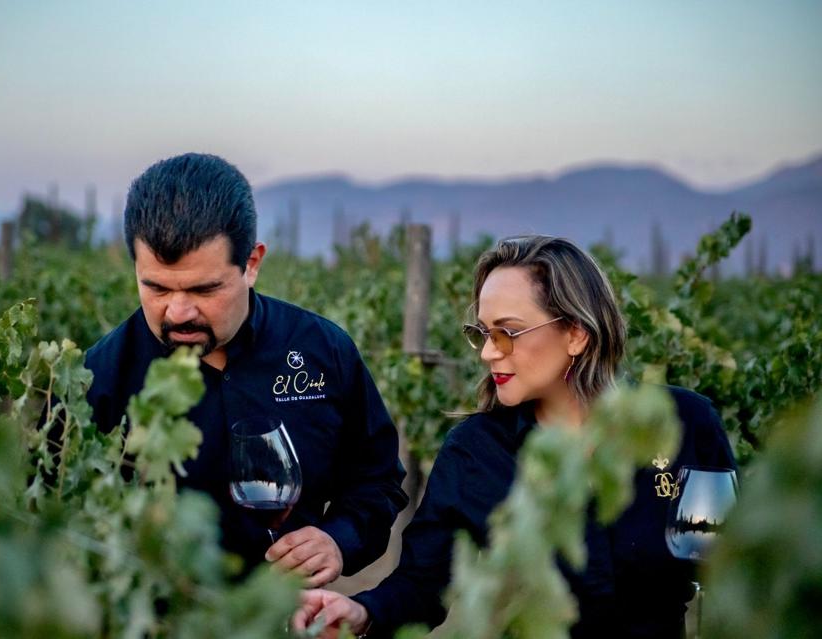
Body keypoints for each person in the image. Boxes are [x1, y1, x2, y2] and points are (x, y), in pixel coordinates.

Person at [293, 235, 736, 638]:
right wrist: (361, 611)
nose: (488, 352)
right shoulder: (476, 451)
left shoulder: (686, 424)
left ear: (577, 334)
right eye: (483, 334)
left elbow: (732, 567)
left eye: (508, 333)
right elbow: (424, 583)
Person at [85, 153, 408, 586]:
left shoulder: (322, 351)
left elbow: (378, 480)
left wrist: (338, 539)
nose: (178, 312)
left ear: (252, 264)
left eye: (205, 288)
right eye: (157, 287)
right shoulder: (99, 376)